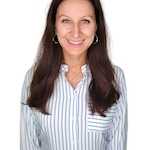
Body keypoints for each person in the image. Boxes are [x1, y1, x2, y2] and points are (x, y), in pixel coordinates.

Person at [20, 0, 128, 150]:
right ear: (54, 26)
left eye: (85, 21)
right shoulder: (34, 77)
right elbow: (28, 144)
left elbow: (117, 143)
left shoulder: (115, 78)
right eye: (66, 21)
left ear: (96, 26)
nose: (76, 32)